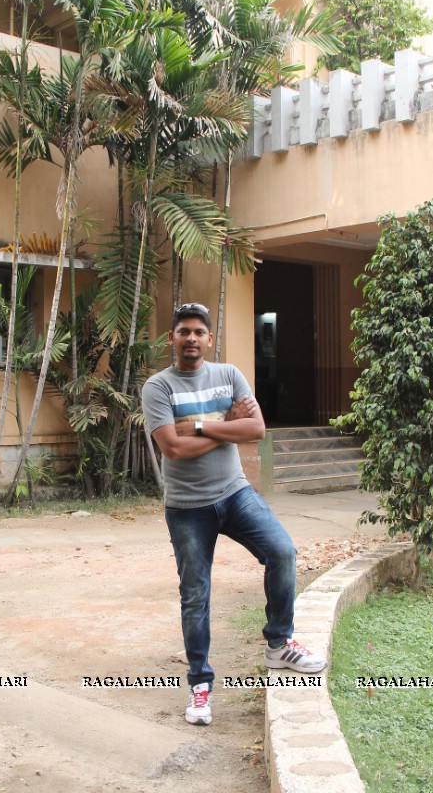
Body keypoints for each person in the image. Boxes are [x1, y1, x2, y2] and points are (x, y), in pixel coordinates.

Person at [141, 302, 326, 727]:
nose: (191, 338)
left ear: (209, 339)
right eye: (183, 331)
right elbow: (173, 448)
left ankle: (278, 644)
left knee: (282, 552)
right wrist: (227, 426)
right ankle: (200, 684)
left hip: (235, 493)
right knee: (196, 597)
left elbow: (256, 431)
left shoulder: (229, 375)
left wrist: (205, 426)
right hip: (188, 508)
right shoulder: (158, 387)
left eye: (198, 332)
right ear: (172, 338)